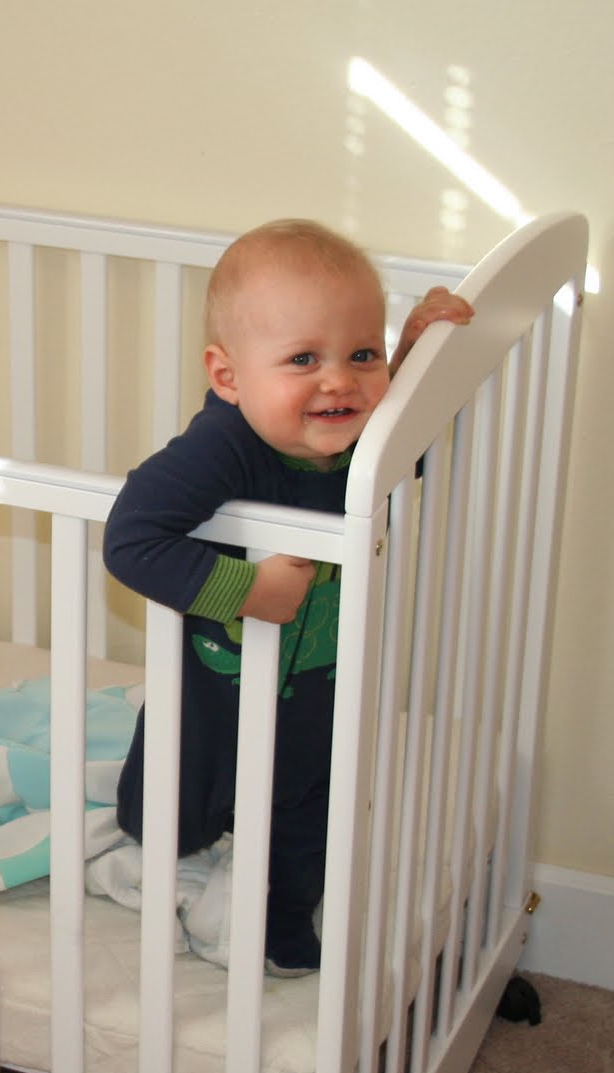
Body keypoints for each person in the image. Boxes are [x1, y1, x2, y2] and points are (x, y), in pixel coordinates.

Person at [102, 219, 473, 975]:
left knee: (308, 804)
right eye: (303, 358)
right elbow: (131, 538)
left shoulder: (358, 434)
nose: (339, 380)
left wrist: (419, 359)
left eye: (361, 353)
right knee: (166, 820)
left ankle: (283, 930)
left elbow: (411, 435)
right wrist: (248, 589)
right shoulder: (223, 446)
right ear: (229, 375)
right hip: (212, 690)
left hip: (315, 684)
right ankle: (171, 824)